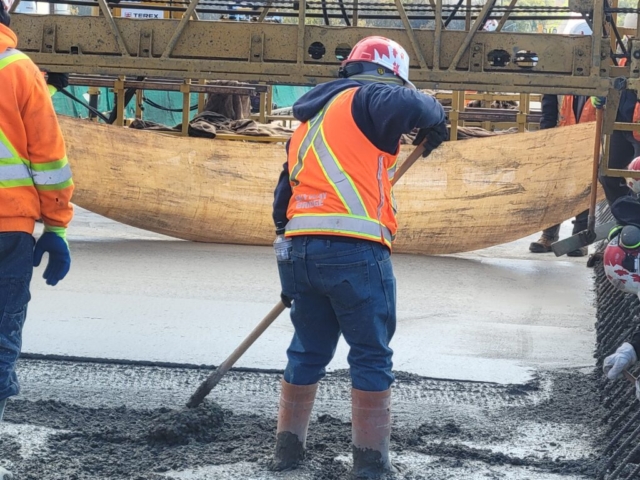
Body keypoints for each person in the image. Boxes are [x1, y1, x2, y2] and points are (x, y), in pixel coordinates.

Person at [270, 36, 447, 478]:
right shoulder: (369, 95)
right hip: (353, 250)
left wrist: (294, 268)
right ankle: (370, 466)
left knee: (307, 350)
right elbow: (410, 104)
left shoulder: (308, 125)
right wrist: (437, 116)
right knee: (370, 355)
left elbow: (282, 200)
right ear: (386, 73)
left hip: (299, 248)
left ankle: (286, 453)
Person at [0, 4, 74, 479]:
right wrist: (57, 226)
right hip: (8, 230)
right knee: (1, 331)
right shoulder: (17, 69)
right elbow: (48, 157)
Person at [528, 93, 595, 256]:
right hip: (563, 140)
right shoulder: (563, 73)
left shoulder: (604, 70)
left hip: (592, 141)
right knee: (555, 187)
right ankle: (548, 236)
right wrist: (547, 139)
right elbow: (549, 109)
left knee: (585, 188)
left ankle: (579, 240)